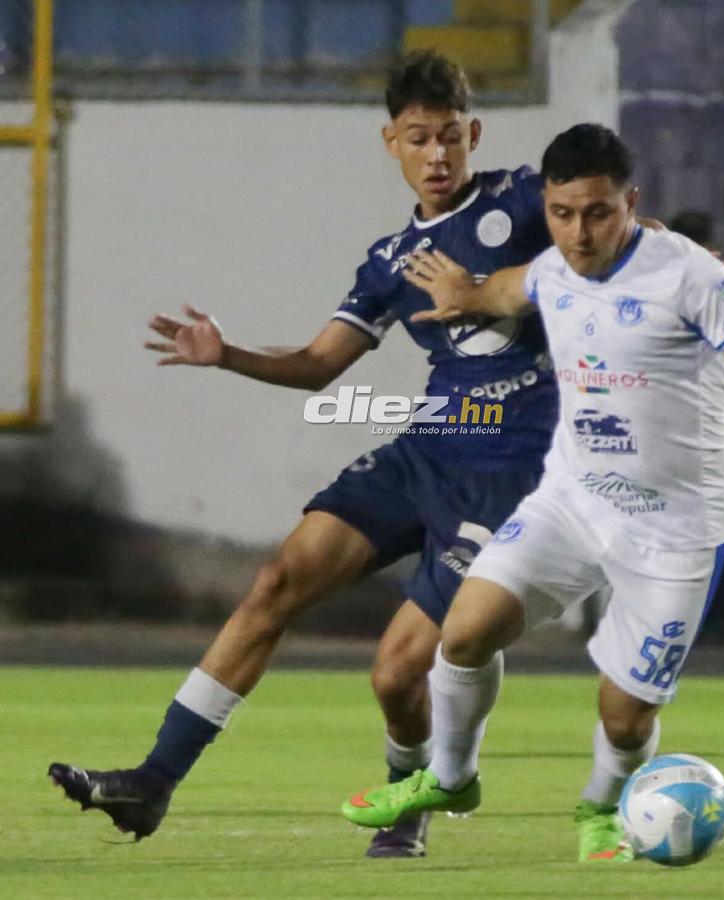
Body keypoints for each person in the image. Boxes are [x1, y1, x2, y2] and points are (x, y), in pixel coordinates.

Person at [48, 50, 562, 858]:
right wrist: (227, 355)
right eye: (420, 138)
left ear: (476, 135)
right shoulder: (388, 261)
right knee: (279, 578)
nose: (437, 156)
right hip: (425, 449)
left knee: (396, 673)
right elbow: (322, 364)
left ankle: (407, 795)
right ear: (390, 140)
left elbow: (617, 240)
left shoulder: (524, 198)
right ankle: (154, 781)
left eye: (451, 139)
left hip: (509, 470)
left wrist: (678, 264)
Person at [338, 123, 724, 860]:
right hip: (572, 503)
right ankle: (451, 779)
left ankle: (601, 810)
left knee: (626, 715)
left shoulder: (690, 276)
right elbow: (513, 288)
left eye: (599, 212)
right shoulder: (554, 268)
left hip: (675, 529)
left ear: (630, 202)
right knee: (464, 633)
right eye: (564, 212)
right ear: (548, 206)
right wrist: (468, 293)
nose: (579, 231)